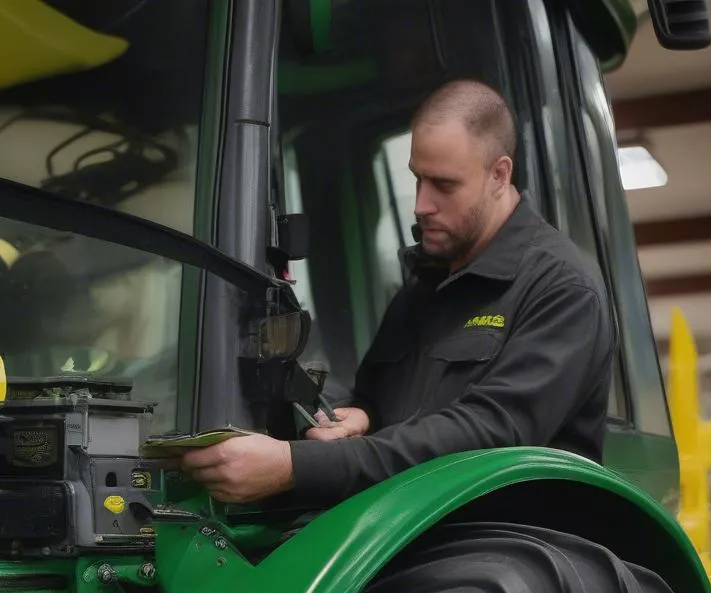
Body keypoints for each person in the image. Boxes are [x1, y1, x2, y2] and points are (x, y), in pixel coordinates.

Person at [182, 78, 614, 505]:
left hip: (506, 545)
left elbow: (487, 434)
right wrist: (363, 417)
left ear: (499, 175)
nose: (421, 205)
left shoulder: (561, 290)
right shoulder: (427, 283)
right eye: (416, 178)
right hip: (411, 528)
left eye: (443, 185)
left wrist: (297, 467)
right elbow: (380, 402)